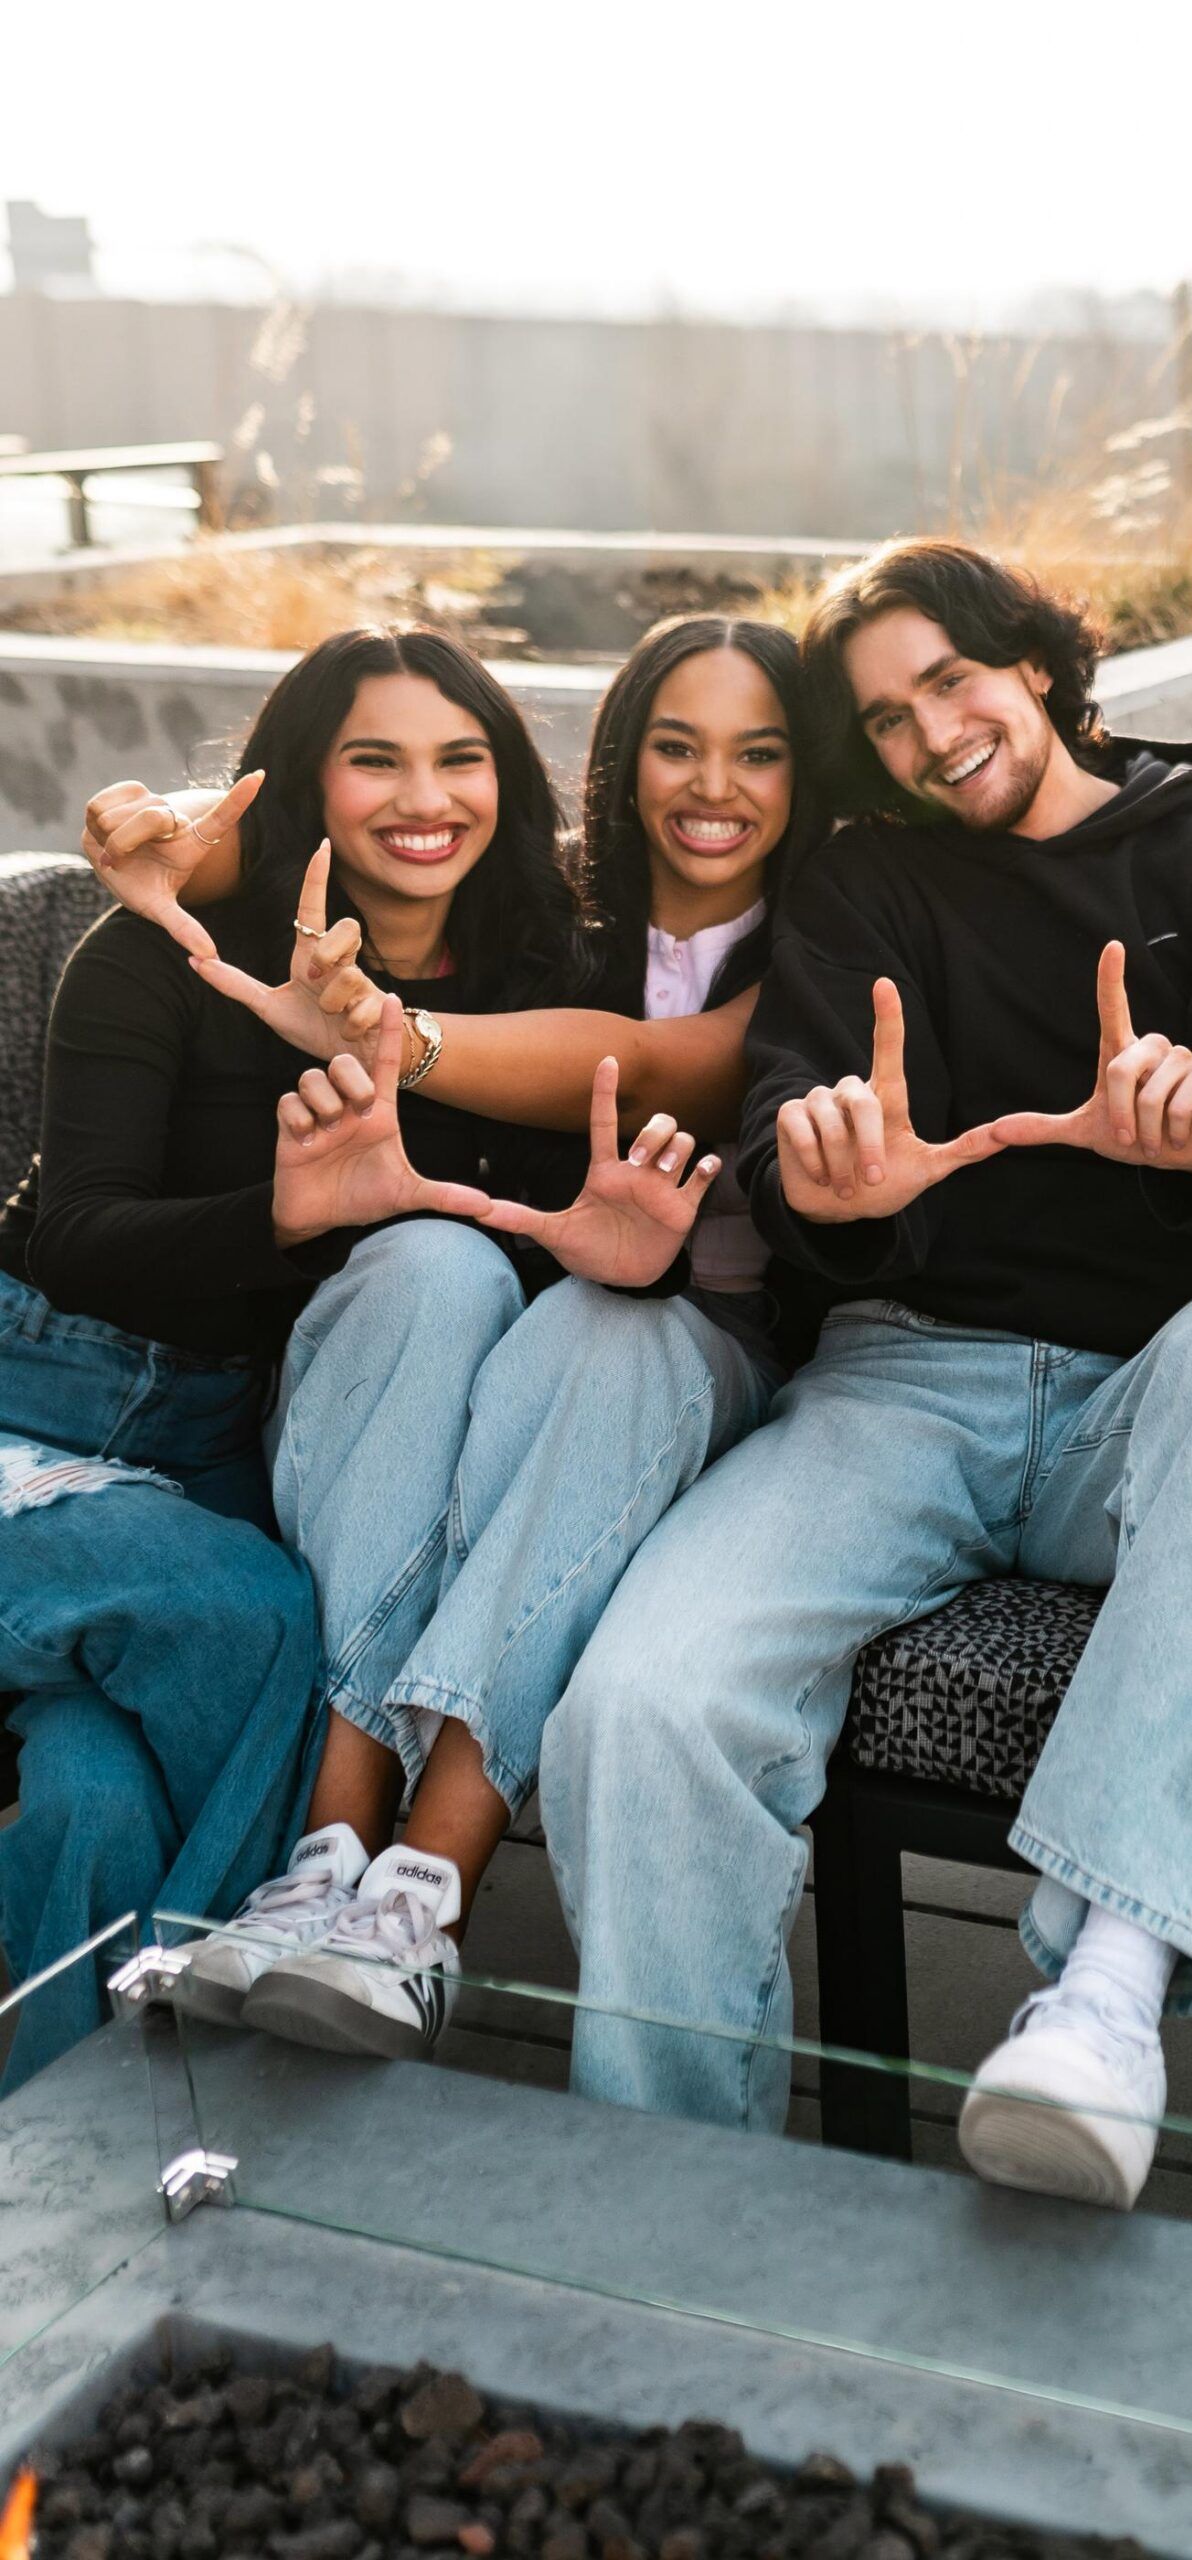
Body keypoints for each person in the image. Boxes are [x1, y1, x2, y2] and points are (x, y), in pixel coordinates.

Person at [539, 538, 1192, 2206]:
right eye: (886, 722)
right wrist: (829, 1185)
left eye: (951, 685)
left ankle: (1103, 2007)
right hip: (903, 1386)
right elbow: (788, 1123)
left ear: (1036, 667)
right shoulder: (864, 882)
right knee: (642, 1704)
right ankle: (672, 2217)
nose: (930, 737)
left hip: (1162, 1395)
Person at [98, 620, 818, 2059]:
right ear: (619, 764)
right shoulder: (553, 921)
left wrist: (385, 1033)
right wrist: (172, 822)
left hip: (717, 1345)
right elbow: (261, 841)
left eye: (759, 751)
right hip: (532, 1320)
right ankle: (332, 1870)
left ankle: (424, 1891)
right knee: (450, 1271)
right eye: (676, 744)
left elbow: (680, 1066)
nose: (712, 786)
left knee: (615, 1339)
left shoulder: (833, 920)